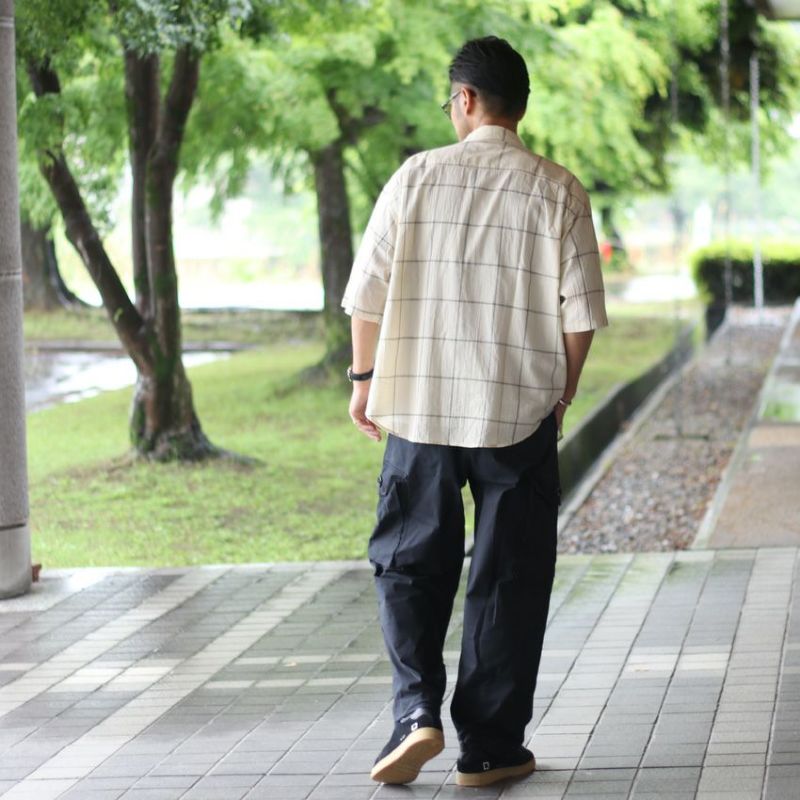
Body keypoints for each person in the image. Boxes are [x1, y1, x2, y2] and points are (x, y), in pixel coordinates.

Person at [341, 35, 607, 788]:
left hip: (419, 404)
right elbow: (580, 317)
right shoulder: (559, 189)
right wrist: (563, 393)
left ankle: (414, 714)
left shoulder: (416, 176)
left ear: (465, 99)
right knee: (510, 575)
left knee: (407, 562)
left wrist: (363, 379)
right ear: (517, 106)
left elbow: (367, 296)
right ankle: (489, 748)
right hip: (516, 412)